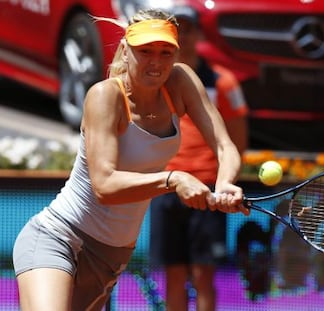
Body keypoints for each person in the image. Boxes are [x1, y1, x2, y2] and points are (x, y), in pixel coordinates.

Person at [12, 8, 249, 311]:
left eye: (166, 52)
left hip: (110, 257)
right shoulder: (105, 96)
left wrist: (225, 182)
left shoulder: (181, 81)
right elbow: (104, 184)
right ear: (125, 50)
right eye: (145, 51)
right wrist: (173, 179)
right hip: (58, 237)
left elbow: (224, 145)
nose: (156, 61)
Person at [150, 5, 249, 311]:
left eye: (188, 29)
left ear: (199, 34)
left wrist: (223, 183)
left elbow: (235, 141)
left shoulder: (224, 82)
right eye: (176, 29)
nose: (183, 36)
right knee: (173, 275)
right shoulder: (153, 81)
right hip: (167, 188)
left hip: (208, 189)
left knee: (203, 275)